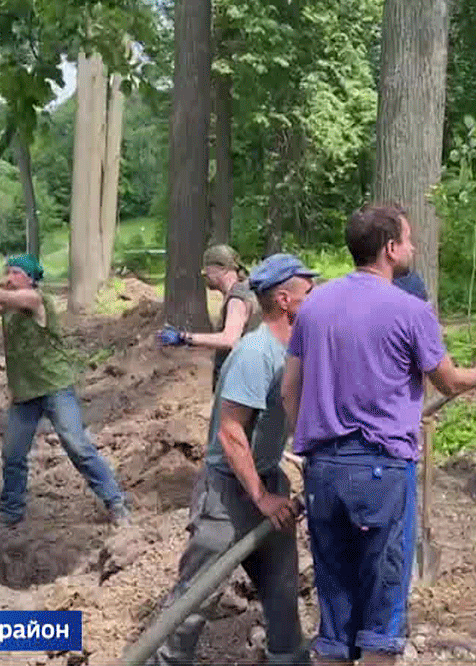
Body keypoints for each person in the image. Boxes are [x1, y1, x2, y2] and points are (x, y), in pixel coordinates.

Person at [282, 202, 476, 666]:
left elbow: (290, 390)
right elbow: (448, 381)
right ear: (390, 248)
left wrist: (310, 441)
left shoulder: (314, 305)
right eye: (408, 239)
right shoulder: (411, 310)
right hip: (381, 471)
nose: (413, 247)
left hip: (323, 468)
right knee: (383, 618)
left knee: (335, 615)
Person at [150, 253, 318, 666]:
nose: (315, 297)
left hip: (267, 481)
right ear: (284, 299)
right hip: (228, 494)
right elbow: (230, 432)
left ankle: (286, 659)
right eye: (308, 291)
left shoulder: (294, 350)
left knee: (282, 595)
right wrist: (261, 499)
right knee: (195, 600)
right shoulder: (255, 354)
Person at [0, 255, 129, 534]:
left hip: (55, 386)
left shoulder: (34, 300)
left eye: (16, 272)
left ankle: (115, 502)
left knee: (76, 444)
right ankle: (11, 514)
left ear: (31, 279)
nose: (10, 277)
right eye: (8, 272)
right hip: (25, 394)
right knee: (12, 454)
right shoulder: (6, 304)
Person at [157, 244, 262, 393]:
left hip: (239, 383)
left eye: (207, 268)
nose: (203, 273)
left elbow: (229, 339)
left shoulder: (237, 297)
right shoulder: (245, 291)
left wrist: (184, 337)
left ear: (223, 268)